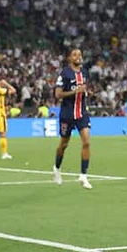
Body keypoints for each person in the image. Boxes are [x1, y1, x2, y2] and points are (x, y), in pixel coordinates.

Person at [53, 48, 93, 189]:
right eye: (75, 55)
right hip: (67, 114)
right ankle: (57, 168)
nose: (78, 57)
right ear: (69, 58)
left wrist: (87, 92)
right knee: (64, 144)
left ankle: (83, 175)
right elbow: (58, 94)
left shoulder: (85, 73)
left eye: (80, 54)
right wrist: (75, 91)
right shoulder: (64, 74)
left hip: (81, 113)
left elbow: (83, 89)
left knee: (86, 142)